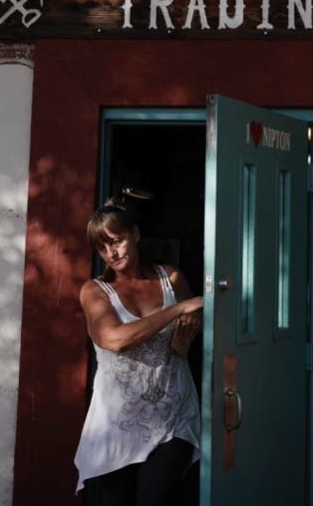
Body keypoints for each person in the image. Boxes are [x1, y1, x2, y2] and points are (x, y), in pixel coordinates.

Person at [73, 198, 204, 505]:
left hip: (173, 417)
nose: (111, 253)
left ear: (135, 234)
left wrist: (188, 330)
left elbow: (187, 339)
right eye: (102, 248)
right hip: (116, 424)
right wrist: (179, 309)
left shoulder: (171, 279)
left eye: (116, 242)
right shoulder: (94, 290)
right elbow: (115, 340)